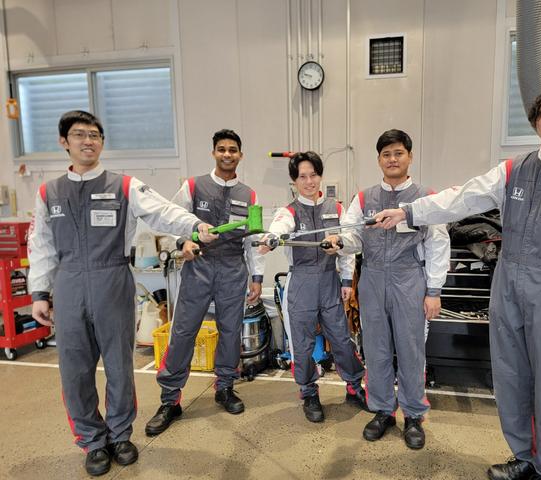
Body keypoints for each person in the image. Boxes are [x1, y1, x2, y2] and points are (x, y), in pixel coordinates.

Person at [374, 81, 541, 480]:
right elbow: (463, 197)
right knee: (510, 376)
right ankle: (524, 457)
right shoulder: (515, 169)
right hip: (507, 286)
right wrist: (409, 212)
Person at [28, 110, 216, 477]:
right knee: (75, 370)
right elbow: (41, 244)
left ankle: (119, 435)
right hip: (68, 283)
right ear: (64, 141)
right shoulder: (48, 193)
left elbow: (163, 212)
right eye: (79, 134)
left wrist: (194, 226)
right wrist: (39, 292)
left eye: (95, 135)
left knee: (119, 366)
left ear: (102, 142)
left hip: (112, 279)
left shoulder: (124, 186)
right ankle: (92, 441)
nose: (88, 141)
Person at [325, 129, 450, 450]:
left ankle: (413, 415)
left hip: (410, 280)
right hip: (372, 279)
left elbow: (438, 244)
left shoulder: (426, 197)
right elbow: (352, 235)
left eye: (398, 153)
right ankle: (382, 410)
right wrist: (340, 242)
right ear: (379, 159)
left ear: (410, 156)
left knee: (411, 349)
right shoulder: (364, 198)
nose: (392, 159)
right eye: (386, 154)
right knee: (376, 348)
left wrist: (434, 291)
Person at [146, 129, 265, 435]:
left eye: (233, 150)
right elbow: (170, 221)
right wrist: (182, 243)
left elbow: (252, 241)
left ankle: (225, 387)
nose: (227, 154)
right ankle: (170, 399)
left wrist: (256, 277)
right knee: (183, 332)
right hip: (198, 267)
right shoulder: (193, 186)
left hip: (233, 269)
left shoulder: (249, 195)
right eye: (222, 149)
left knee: (230, 332)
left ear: (240, 155)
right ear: (213, 152)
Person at [257, 151, 368, 423]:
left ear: (320, 176)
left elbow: (346, 246)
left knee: (341, 339)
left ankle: (354, 385)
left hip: (330, 282)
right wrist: (272, 237)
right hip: (301, 284)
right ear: (294, 181)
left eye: (314, 175)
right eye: (302, 177)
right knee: (302, 345)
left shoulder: (336, 208)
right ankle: (308, 392)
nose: (309, 182)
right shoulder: (289, 211)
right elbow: (279, 227)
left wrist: (346, 280)